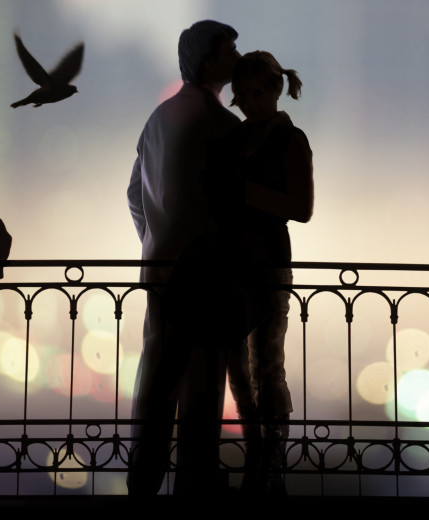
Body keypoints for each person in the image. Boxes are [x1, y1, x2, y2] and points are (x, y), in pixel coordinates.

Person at [126, 20, 242, 497]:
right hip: (206, 271)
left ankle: (142, 479)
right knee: (202, 381)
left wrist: (154, 239)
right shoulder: (223, 125)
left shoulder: (158, 118)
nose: (237, 57)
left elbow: (135, 194)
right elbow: (236, 205)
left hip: (159, 269)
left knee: (155, 380)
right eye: (230, 50)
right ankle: (193, 483)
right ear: (211, 61)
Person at [206, 50, 314, 495]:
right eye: (242, 95)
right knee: (239, 366)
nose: (249, 101)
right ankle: (259, 455)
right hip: (234, 264)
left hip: (267, 265)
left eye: (256, 93)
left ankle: (269, 460)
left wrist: (244, 192)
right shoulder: (237, 139)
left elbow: (301, 208)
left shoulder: (291, 140)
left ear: (274, 90)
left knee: (266, 365)